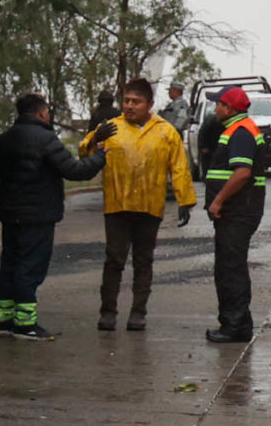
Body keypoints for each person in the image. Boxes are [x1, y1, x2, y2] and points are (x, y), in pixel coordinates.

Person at [0, 92, 109, 341]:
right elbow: (74, 171)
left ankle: (3, 321)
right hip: (38, 216)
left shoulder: (4, 139)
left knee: (9, 264)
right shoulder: (46, 139)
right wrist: (100, 157)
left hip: (11, 213)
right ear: (42, 113)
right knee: (30, 267)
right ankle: (25, 325)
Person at [76, 78, 194, 331]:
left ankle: (138, 312)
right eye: (126, 101)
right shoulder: (111, 128)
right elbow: (83, 154)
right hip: (117, 206)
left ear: (149, 104)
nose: (129, 106)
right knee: (114, 260)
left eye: (136, 102)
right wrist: (94, 139)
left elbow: (180, 167)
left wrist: (185, 201)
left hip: (150, 208)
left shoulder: (166, 132)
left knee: (144, 261)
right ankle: (108, 312)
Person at [205, 85, 268, 344]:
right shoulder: (238, 129)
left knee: (231, 269)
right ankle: (236, 324)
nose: (215, 107)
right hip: (237, 211)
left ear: (229, 108)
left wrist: (218, 201)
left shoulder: (241, 132)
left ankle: (235, 327)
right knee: (230, 267)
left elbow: (242, 172)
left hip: (238, 211)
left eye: (218, 103)